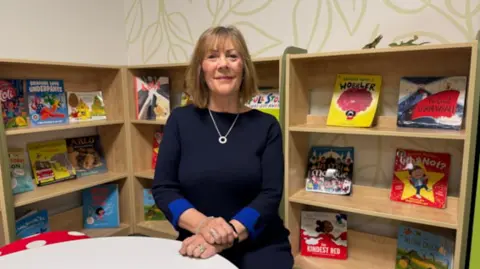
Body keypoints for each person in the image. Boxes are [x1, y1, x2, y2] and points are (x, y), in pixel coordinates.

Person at [151, 25, 294, 269]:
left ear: (243, 67)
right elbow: (164, 189)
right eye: (212, 56)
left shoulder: (267, 126)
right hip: (198, 239)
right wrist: (204, 226)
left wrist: (225, 235)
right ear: (201, 68)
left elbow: (270, 195)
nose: (223, 64)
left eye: (232, 56)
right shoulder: (180, 120)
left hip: (259, 243)